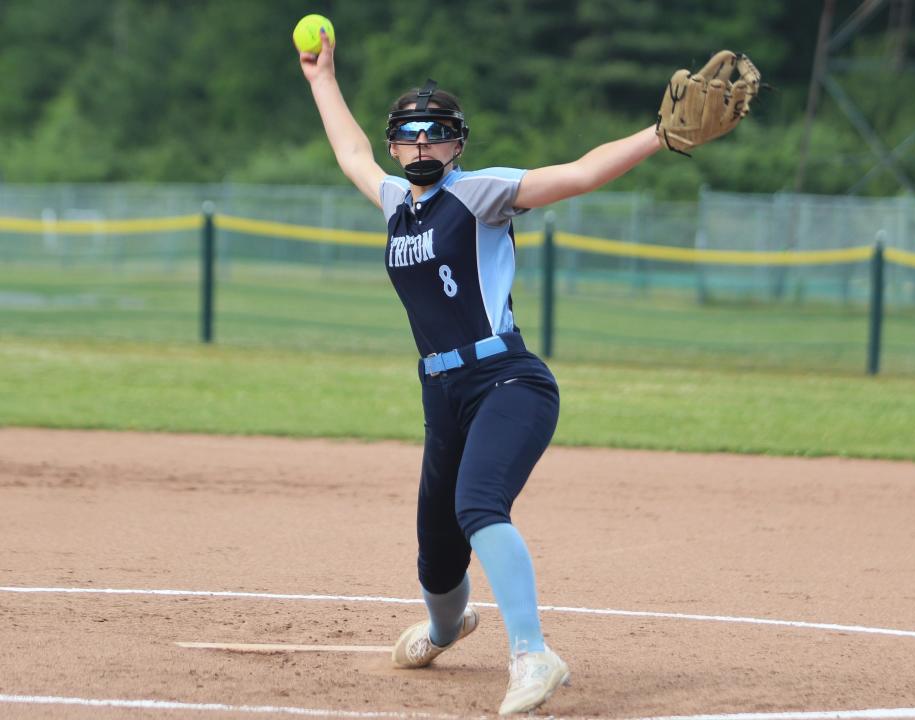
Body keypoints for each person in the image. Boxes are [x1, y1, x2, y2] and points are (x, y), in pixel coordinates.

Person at [297, 27, 754, 716]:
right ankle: (449, 628)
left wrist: (658, 134)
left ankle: (534, 655)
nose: (421, 144)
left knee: (478, 506)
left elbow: (578, 173)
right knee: (436, 552)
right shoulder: (395, 203)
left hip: (508, 381)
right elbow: (349, 152)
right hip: (441, 392)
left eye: (436, 132)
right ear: (396, 145)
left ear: (458, 143)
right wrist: (320, 79)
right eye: (409, 134)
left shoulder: (480, 193)